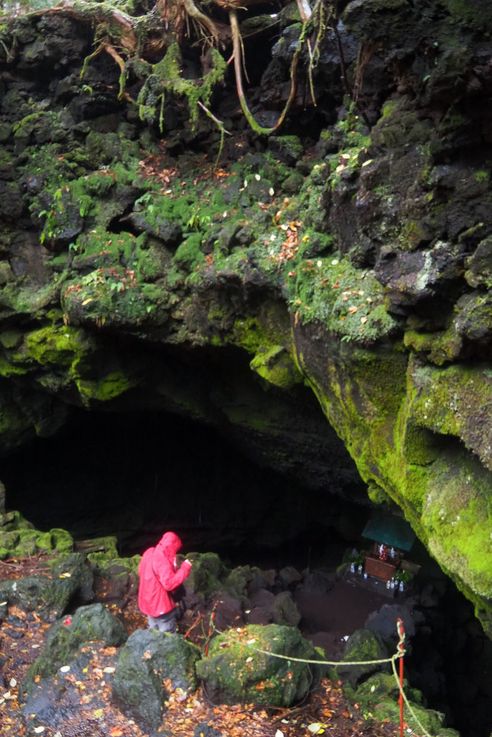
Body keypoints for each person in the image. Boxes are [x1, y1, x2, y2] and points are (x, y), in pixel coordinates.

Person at [137, 531, 192, 633]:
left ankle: (151, 647)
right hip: (160, 605)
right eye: (176, 549)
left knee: (153, 630)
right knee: (167, 634)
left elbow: (140, 571)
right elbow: (169, 584)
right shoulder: (162, 560)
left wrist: (172, 566)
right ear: (173, 547)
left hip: (147, 601)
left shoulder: (149, 552)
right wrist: (185, 568)